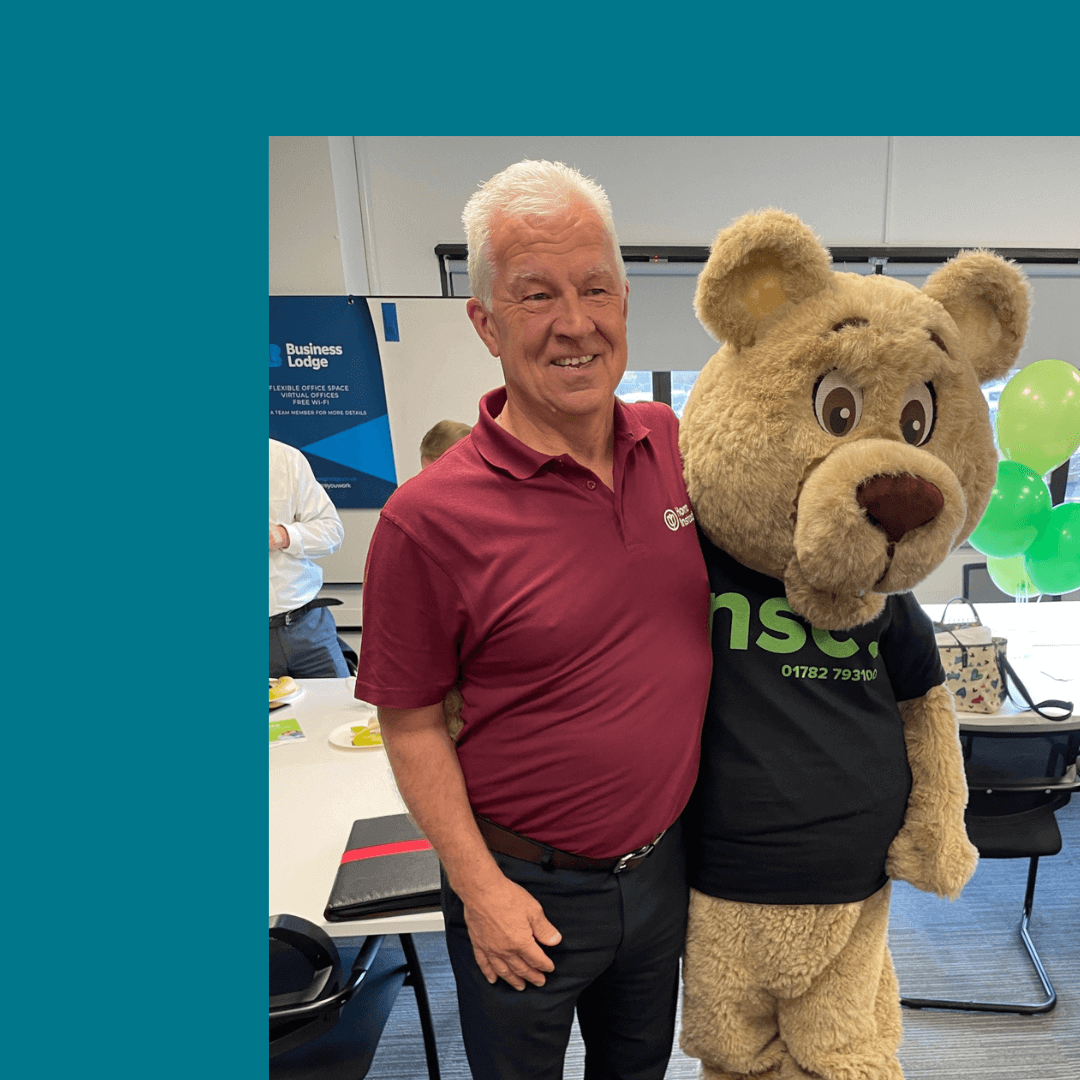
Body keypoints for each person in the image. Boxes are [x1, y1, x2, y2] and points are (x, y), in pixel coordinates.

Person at [355, 159, 712, 1080]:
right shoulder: (428, 519)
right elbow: (409, 719)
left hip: (661, 870)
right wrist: (480, 889)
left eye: (596, 288)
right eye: (536, 294)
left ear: (626, 299)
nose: (575, 322)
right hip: (523, 889)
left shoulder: (673, 447)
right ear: (484, 321)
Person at [269, 438, 350, 678]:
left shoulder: (286, 459)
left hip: (308, 627)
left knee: (341, 712)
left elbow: (332, 531)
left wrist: (284, 535)